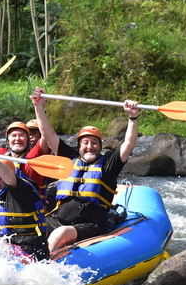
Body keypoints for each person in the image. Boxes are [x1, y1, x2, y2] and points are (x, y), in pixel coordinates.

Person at [31, 87, 139, 253]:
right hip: (57, 220)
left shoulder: (109, 164)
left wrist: (133, 117)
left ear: (100, 146)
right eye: (86, 142)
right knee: (28, 229)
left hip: (92, 226)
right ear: (79, 146)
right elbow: (48, 134)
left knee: (60, 234)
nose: (90, 146)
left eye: (94, 143)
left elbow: (128, 144)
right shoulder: (69, 158)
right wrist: (39, 107)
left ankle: (43, 267)